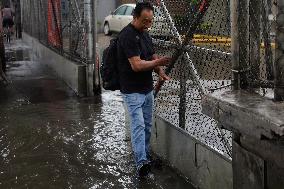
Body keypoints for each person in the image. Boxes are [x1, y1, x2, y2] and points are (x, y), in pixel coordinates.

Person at [117, 2, 171, 177]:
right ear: (135, 16)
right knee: (138, 126)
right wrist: (158, 63)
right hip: (132, 91)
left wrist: (160, 72)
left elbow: (151, 55)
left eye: (150, 21)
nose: (148, 24)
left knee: (147, 126)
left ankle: (146, 157)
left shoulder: (145, 34)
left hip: (147, 90)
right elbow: (137, 65)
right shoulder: (127, 36)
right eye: (145, 20)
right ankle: (141, 164)